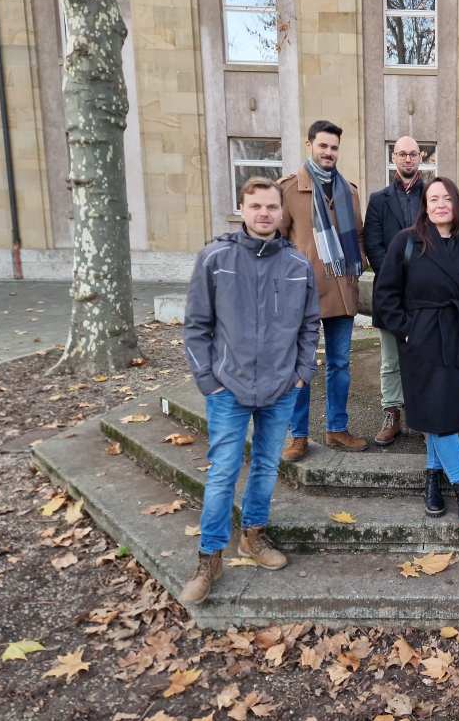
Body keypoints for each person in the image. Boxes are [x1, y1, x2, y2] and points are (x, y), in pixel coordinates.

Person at [180, 176, 319, 605]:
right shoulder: (215, 259)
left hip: (280, 388)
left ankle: (253, 536)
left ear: (282, 213)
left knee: (264, 467)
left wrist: (301, 373)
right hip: (228, 388)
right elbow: (196, 326)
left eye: (271, 207)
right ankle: (209, 558)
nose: (264, 214)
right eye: (255, 206)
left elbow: (308, 325)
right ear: (242, 208)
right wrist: (209, 380)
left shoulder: (297, 266)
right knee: (223, 472)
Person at [373, 177, 459, 528]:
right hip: (420, 342)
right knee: (438, 417)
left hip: (455, 340)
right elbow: (385, 294)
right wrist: (407, 330)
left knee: (444, 416)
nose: (439, 204)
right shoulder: (405, 242)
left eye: (446, 198)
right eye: (432, 198)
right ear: (424, 205)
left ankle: (432, 478)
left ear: (456, 204)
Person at [278, 120, 369, 460]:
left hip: (342, 290)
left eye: (334, 148)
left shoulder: (349, 191)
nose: (329, 153)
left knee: (339, 364)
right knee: (301, 366)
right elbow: (276, 241)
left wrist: (356, 260)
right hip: (302, 294)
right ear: (310, 145)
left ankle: (336, 429)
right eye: (323, 146)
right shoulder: (289, 189)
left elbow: (357, 235)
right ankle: (297, 435)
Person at [364, 135, 426, 446]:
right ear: (394, 157)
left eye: (412, 154)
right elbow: (372, 245)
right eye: (401, 154)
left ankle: (425, 415)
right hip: (389, 291)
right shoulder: (378, 200)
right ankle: (392, 412)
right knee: (390, 360)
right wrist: (394, 274)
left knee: (424, 356)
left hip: (426, 292)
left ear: (421, 157)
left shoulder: (432, 195)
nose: (407, 159)